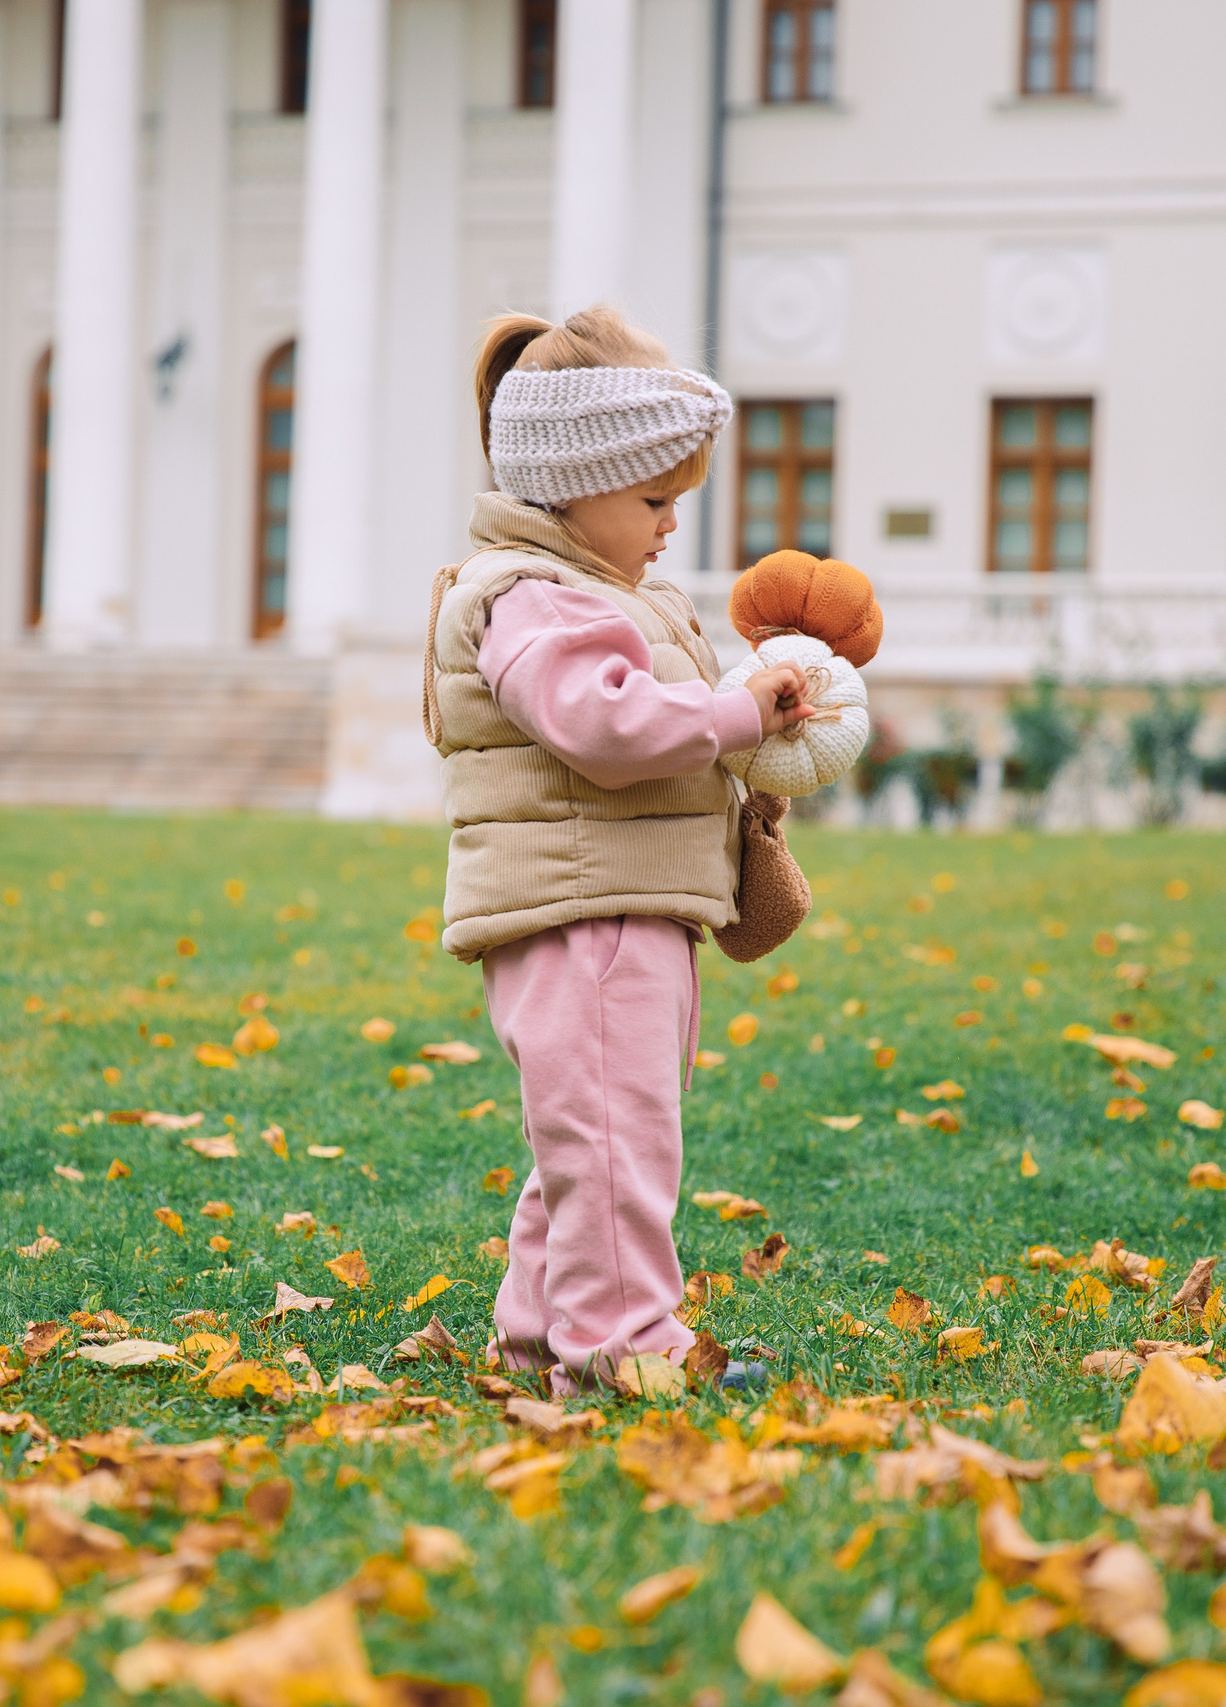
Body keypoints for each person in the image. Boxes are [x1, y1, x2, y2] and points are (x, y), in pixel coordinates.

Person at [422, 306, 817, 1394]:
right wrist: (735, 714)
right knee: (612, 1151)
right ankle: (624, 1354)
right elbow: (603, 729)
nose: (668, 527)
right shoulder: (527, 599)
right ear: (570, 486)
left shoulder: (593, 592)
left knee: (588, 1146)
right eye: (654, 501)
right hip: (582, 917)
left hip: (625, 904)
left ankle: (541, 1337)